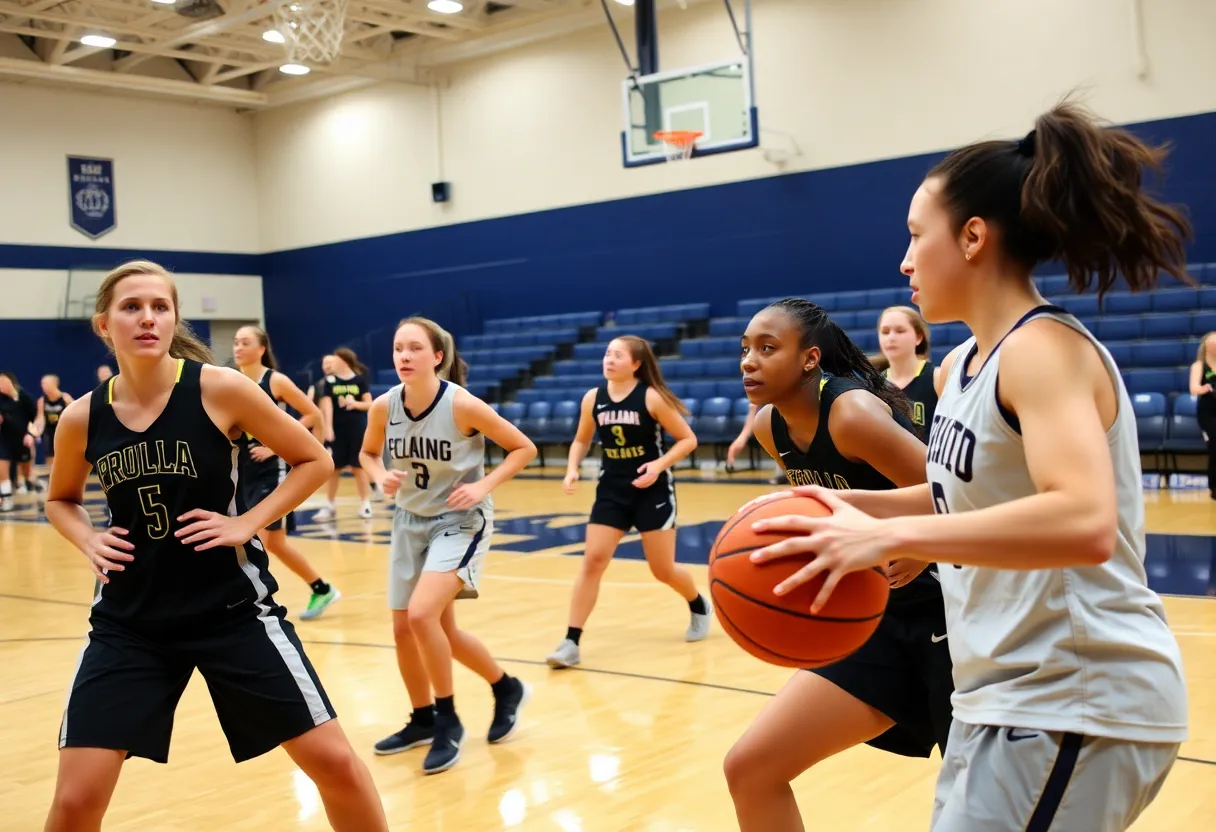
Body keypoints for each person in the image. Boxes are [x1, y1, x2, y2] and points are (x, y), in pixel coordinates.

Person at [749, 102, 1190, 832]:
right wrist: (840, 514)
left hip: (1076, 696)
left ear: (974, 238)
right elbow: (955, 495)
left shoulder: (1042, 351)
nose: (905, 260)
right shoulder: (961, 366)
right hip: (997, 693)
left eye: (917, 236)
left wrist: (894, 541)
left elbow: (1084, 519)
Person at [43, 260, 388, 832]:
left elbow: (314, 460)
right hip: (130, 622)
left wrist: (247, 522)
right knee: (77, 800)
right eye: (132, 307)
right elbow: (61, 499)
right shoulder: (82, 416)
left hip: (230, 611)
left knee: (335, 763)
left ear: (175, 317)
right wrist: (88, 538)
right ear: (105, 325)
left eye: (160, 306)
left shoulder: (218, 388)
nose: (147, 318)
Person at [722, 299, 953, 832]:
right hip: (874, 620)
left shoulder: (850, 415)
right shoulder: (767, 428)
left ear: (809, 360)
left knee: (971, 802)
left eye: (767, 348)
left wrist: (921, 544)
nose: (748, 362)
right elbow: (824, 513)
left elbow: (958, 492)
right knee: (751, 768)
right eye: (745, 350)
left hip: (951, 613)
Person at [360, 317, 536, 775]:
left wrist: (483, 487)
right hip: (408, 519)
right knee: (417, 630)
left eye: (414, 348)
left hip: (459, 520)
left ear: (438, 357)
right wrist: (381, 477)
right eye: (398, 348)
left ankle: (448, 720)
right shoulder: (383, 406)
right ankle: (491, 693)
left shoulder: (463, 405)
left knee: (421, 616)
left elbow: (523, 448)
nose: (403, 356)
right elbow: (366, 453)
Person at [546, 335, 709, 669]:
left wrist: (658, 466)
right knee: (592, 560)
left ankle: (697, 603)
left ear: (636, 364)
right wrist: (572, 468)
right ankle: (571, 642)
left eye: (617, 355)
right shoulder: (593, 398)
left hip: (652, 490)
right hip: (612, 490)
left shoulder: (651, 398)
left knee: (662, 570)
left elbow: (688, 440)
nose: (609, 359)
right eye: (607, 353)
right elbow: (580, 439)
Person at [232, 325, 341, 619]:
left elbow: (312, 414)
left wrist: (275, 446)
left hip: (273, 470)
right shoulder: (232, 381)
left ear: (261, 349)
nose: (237, 347)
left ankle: (250, 605)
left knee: (260, 539)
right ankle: (321, 589)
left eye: (245, 342)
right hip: (244, 470)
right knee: (277, 543)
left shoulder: (275, 381)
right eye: (235, 342)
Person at [313, 349, 374, 521]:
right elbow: (327, 406)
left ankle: (365, 504)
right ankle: (330, 505)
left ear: (345, 362)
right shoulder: (329, 382)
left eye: (336, 361)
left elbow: (369, 404)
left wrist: (353, 403)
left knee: (358, 466)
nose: (331, 364)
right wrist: (328, 428)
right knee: (335, 468)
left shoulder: (359, 380)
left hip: (357, 428)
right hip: (338, 429)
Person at [872, 305, 941, 441]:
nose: (891, 338)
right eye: (885, 332)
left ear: (918, 337)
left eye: (900, 331)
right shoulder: (873, 385)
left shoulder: (937, 377)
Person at [0, 372, 38, 510]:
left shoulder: (24, 398)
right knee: (2, 466)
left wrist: (30, 434)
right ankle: (7, 498)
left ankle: (34, 484)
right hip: (5, 439)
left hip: (23, 439)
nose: (1, 386)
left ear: (11, 382)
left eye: (3, 381)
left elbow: (36, 419)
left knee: (26, 472)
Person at [1188, 332, 1216, 500]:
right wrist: (1204, 388)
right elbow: (1193, 388)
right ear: (1206, 345)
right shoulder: (1199, 365)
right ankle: (1214, 486)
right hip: (1208, 412)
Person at [36, 374, 74, 483]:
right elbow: (40, 418)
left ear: (54, 384)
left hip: (63, 431)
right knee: (50, 456)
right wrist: (37, 431)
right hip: (49, 431)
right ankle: (53, 481)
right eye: (42, 384)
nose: (43, 386)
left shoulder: (65, 398)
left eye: (45, 383)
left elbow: (75, 415)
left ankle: (68, 479)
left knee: (65, 455)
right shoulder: (42, 400)